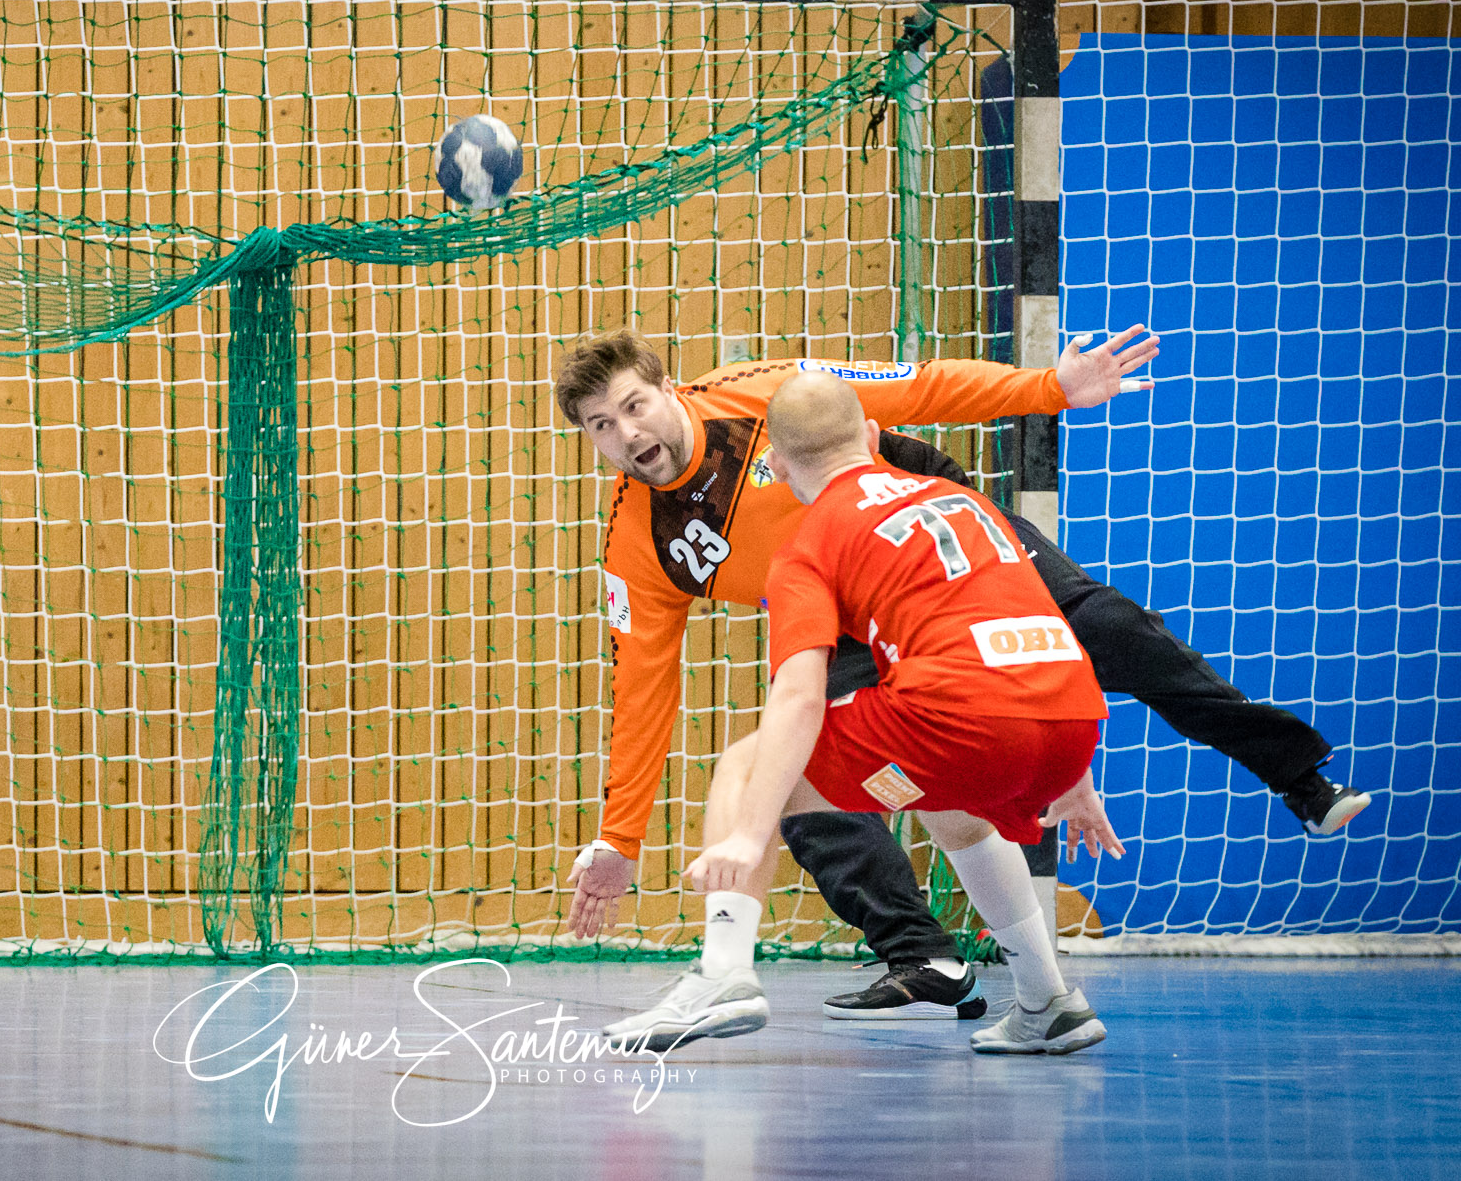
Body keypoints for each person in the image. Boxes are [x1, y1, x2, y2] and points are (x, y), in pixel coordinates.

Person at [556, 328, 1367, 1035]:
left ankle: (1296, 776)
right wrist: (618, 842)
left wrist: (1048, 388)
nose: (626, 432)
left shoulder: (765, 394)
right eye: (601, 426)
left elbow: (922, 385)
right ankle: (931, 957)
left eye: (633, 405)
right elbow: (644, 692)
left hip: (912, 536)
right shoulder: (640, 541)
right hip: (832, 607)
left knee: (1108, 630)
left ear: (669, 387)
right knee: (821, 785)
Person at [675, 370, 1123, 1054]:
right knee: (945, 798)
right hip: (1069, 718)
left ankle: (724, 971)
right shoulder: (958, 498)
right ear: (874, 436)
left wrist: (747, 834)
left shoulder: (809, 541)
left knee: (747, 761)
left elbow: (798, 696)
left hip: (963, 723)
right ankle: (1046, 999)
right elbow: (1035, 614)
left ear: (779, 467)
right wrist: (1075, 774)